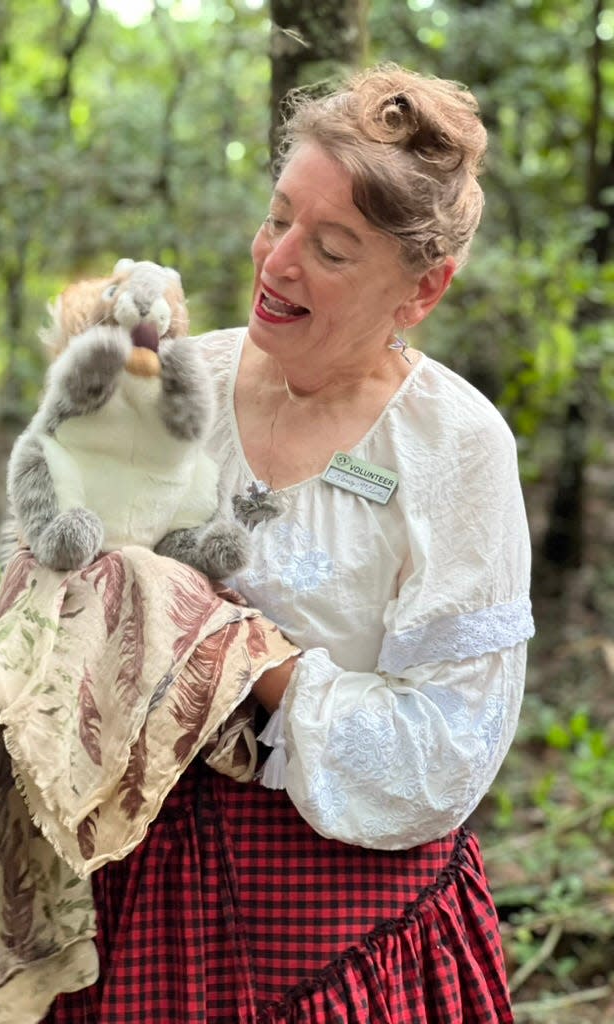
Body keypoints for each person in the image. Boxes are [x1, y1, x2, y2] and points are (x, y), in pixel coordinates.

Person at [42, 62, 534, 1023]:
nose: (277, 262)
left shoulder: (454, 446)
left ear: (421, 289)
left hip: (343, 938)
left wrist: (242, 657)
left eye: (334, 249)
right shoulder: (186, 376)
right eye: (279, 218)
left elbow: (447, 752)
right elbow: (63, 592)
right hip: (136, 897)